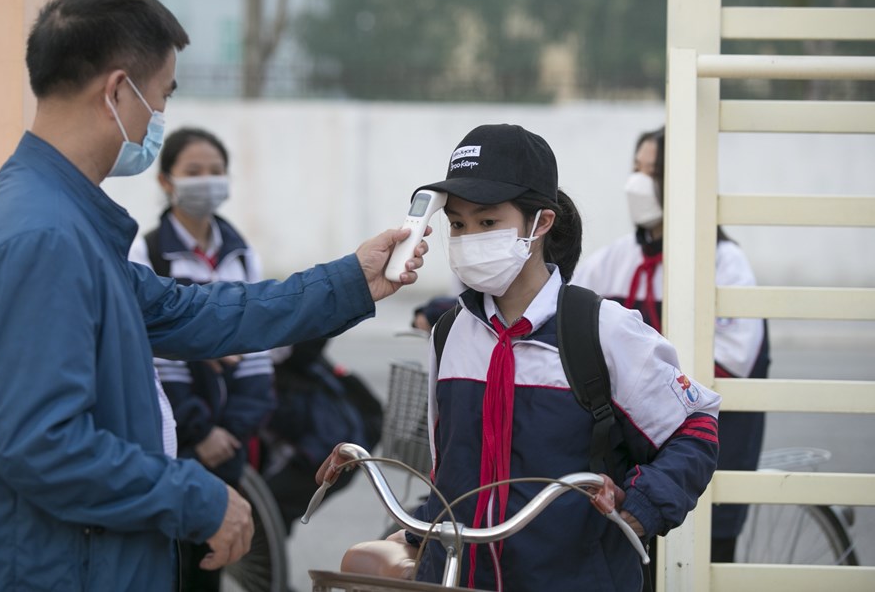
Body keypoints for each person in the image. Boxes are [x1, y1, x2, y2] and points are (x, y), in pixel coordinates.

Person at [0, 0, 429, 592]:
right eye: (161, 97)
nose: (159, 118)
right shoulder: (45, 236)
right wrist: (198, 498)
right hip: (45, 570)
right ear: (117, 91)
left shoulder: (63, 217)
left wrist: (350, 281)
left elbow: (193, 312)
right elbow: (42, 444)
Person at [319, 124, 721, 591]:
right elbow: (448, 466)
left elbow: (696, 428)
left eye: (487, 223)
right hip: (463, 578)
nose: (468, 238)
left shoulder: (602, 329)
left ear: (541, 223)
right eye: (458, 224)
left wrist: (643, 505)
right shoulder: (449, 333)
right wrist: (420, 527)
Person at [572, 126, 769, 569]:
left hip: (704, 451)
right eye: (636, 169)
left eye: (654, 172)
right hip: (632, 466)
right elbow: (557, 308)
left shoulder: (725, 264)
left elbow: (733, 358)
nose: (638, 183)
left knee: (705, 565)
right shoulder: (614, 259)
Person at [128, 127, 277, 591]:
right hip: (177, 444)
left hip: (228, 448)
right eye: (194, 172)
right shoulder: (147, 252)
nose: (207, 181)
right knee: (170, 564)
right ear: (166, 181)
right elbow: (152, 357)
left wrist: (231, 431)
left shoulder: (240, 254)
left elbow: (256, 355)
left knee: (209, 567)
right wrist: (200, 430)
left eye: (216, 171)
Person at [259, 336, 383, 534]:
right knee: (265, 513)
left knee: (262, 512)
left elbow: (312, 336)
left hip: (322, 450)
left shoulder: (282, 351)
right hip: (327, 441)